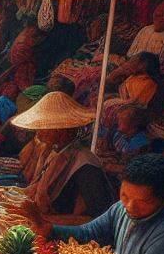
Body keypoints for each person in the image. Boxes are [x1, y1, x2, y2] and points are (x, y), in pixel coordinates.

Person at [11, 91, 115, 221]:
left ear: (61, 130)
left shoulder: (85, 164)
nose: (39, 131)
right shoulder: (52, 153)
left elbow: (96, 217)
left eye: (46, 126)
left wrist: (46, 222)